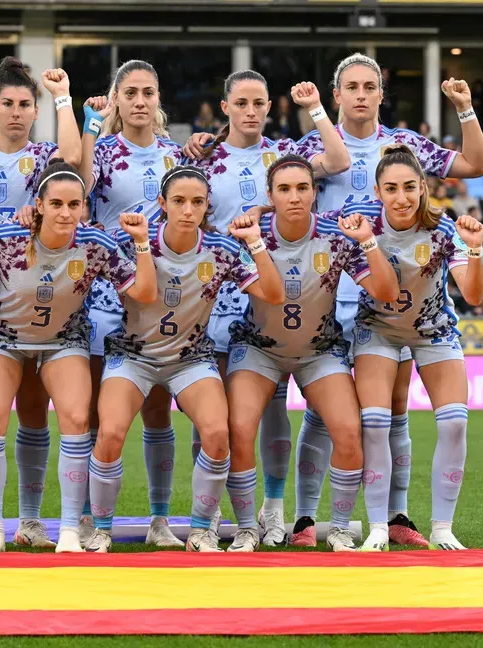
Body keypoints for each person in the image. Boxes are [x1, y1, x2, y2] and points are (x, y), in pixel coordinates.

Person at [286, 53, 483, 548]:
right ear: (336, 95)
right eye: (350, 86)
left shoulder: (405, 146)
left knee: (393, 409)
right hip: (328, 289)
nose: (360, 94)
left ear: (380, 93)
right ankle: (302, 518)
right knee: (322, 407)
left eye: (369, 86)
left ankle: (395, 516)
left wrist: (464, 109)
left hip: (395, 296)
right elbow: (279, 190)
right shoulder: (312, 144)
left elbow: (476, 166)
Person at [0, 159, 157, 553]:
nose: (66, 213)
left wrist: (141, 243)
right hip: (0, 335)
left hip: (63, 338)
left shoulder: (97, 244)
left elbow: (141, 292)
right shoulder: (6, 237)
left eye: (75, 205)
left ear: (84, 207)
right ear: (39, 204)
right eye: (56, 204)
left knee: (74, 419)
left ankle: (70, 531)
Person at [181, 70, 350, 546]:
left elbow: (336, 159)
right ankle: (210, 515)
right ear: (226, 106)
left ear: (269, 109)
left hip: (274, 297)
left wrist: (315, 110)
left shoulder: (282, 156)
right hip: (213, 297)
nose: (252, 111)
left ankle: (272, 511)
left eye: (260, 103)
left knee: (274, 413)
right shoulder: (205, 156)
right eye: (242, 103)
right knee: (213, 418)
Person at [85, 166, 284, 553]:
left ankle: (199, 532)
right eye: (178, 201)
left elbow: (274, 294)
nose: (188, 210)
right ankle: (101, 530)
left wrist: (257, 243)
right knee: (109, 433)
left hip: (190, 358)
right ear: (162, 204)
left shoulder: (222, 250)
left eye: (197, 202)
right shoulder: (127, 242)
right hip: (133, 355)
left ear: (208, 205)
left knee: (217, 434)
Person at [224, 155, 399, 553]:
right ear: (270, 196)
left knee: (349, 432)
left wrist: (369, 242)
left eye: (303, 188)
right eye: (284, 189)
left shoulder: (336, 235)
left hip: (319, 350)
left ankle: (338, 528)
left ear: (315, 193)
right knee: (239, 429)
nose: (294, 197)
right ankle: (248, 527)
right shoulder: (249, 234)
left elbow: (386, 291)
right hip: (259, 348)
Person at [0, 58, 81, 550]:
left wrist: (63, 97)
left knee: (33, 409)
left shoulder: (45, 157)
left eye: (27, 104)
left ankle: (29, 520)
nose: (18, 113)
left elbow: (72, 155)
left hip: (36, 293)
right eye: (8, 103)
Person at [352, 145, 483, 551]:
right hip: (377, 330)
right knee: (374, 423)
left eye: (410, 187)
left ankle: (443, 527)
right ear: (377, 191)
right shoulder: (362, 227)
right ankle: (378, 527)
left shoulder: (444, 230)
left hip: (433, 331)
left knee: (454, 423)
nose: (402, 197)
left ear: (424, 188)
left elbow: (473, 295)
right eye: (391, 188)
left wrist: (475, 249)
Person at [76, 59, 184, 547]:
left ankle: (160, 520)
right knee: (102, 411)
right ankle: (88, 519)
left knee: (158, 408)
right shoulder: (101, 151)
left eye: (148, 92)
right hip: (104, 294)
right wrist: (87, 128)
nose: (140, 101)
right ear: (116, 99)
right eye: (131, 93)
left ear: (158, 99)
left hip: (161, 298)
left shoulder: (176, 157)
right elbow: (76, 184)